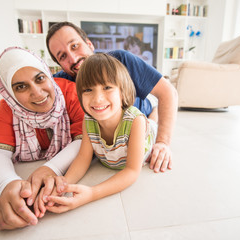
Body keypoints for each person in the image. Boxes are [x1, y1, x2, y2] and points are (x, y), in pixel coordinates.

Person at [0, 47, 85, 230]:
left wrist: (51, 168)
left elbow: (86, 142)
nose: (37, 92)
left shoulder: (71, 93)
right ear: (9, 92)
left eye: (40, 78)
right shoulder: (9, 109)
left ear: (48, 74)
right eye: (21, 87)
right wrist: (6, 184)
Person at [46, 21, 178, 173]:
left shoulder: (121, 60)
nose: (73, 58)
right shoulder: (62, 81)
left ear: (89, 44)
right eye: (62, 56)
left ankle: (154, 113)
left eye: (75, 46)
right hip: (110, 131)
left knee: (151, 117)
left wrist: (163, 143)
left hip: (142, 110)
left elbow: (168, 92)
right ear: (59, 64)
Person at [38, 53, 160, 214]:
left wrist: (91, 193)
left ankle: (153, 105)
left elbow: (131, 171)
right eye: (88, 90)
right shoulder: (89, 121)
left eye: (107, 87)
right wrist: (64, 185)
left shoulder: (135, 122)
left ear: (122, 91)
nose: (97, 99)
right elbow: (83, 158)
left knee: (152, 120)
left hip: (147, 129)